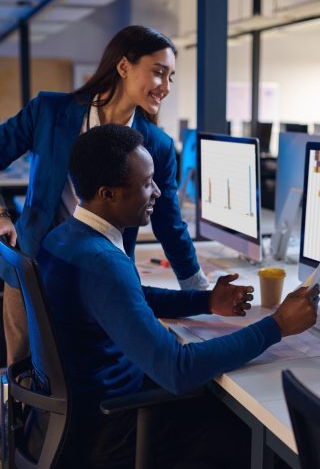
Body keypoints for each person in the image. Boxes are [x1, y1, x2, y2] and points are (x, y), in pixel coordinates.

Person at [34, 124, 319, 469]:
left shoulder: (65, 238)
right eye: (147, 183)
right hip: (109, 432)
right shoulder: (102, 260)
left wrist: (204, 302)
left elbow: (132, 297)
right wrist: (276, 326)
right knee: (265, 441)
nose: (159, 193)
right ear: (108, 193)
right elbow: (177, 369)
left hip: (76, 416)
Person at [0, 25, 207, 365]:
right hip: (34, 270)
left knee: (97, 378)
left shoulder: (157, 144)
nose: (166, 87)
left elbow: (169, 223)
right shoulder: (51, 112)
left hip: (103, 279)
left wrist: (198, 290)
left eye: (171, 77)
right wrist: (2, 214)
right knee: (28, 377)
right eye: (158, 73)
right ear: (124, 67)